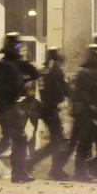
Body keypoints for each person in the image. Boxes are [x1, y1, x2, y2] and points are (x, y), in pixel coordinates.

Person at [0, 32, 40, 183]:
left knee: (8, 140)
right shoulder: (7, 65)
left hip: (6, 105)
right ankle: (18, 173)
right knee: (19, 138)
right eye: (17, 45)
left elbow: (34, 73)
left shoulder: (9, 63)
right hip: (7, 106)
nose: (19, 48)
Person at [27, 47, 71, 180]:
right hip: (51, 109)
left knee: (57, 141)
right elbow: (62, 89)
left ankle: (53, 169)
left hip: (45, 108)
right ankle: (36, 164)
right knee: (58, 142)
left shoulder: (44, 69)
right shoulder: (56, 70)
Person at [71, 44, 97, 181]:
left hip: (96, 112)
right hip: (88, 113)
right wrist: (92, 107)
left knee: (90, 143)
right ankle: (86, 172)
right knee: (89, 143)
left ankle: (87, 172)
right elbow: (83, 93)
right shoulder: (86, 72)